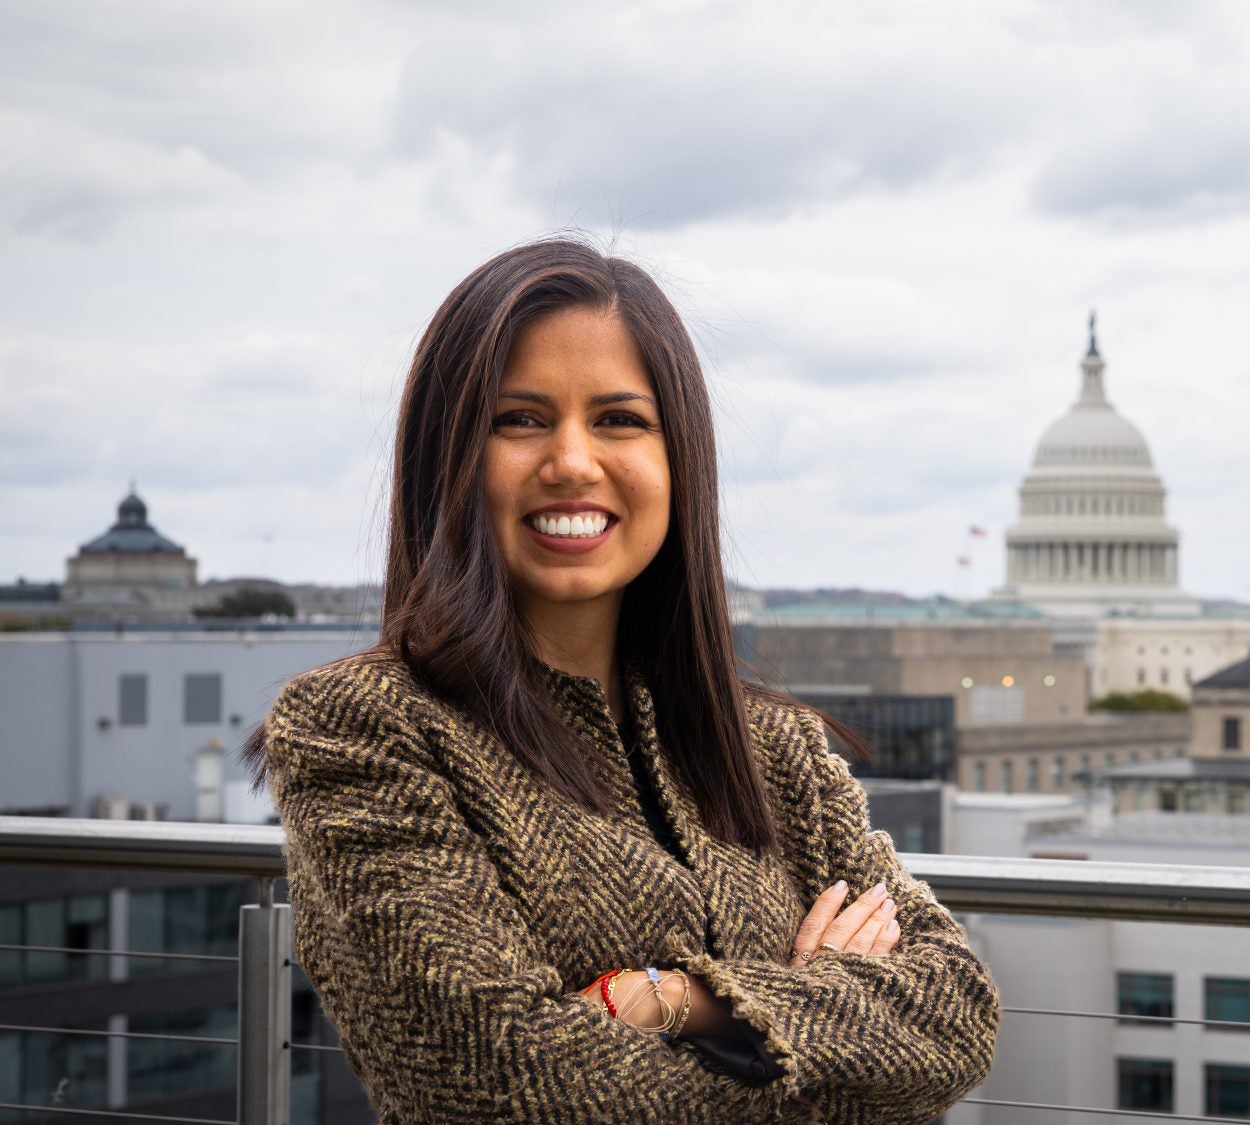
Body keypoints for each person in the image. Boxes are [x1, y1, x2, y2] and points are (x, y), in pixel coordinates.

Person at [245, 239, 1000, 1123]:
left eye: (618, 419)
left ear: (679, 459)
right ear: (446, 459)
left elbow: (957, 1012)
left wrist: (680, 1001)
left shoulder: (770, 744)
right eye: (519, 419)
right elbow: (503, 1088)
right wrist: (830, 1021)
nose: (571, 460)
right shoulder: (362, 728)